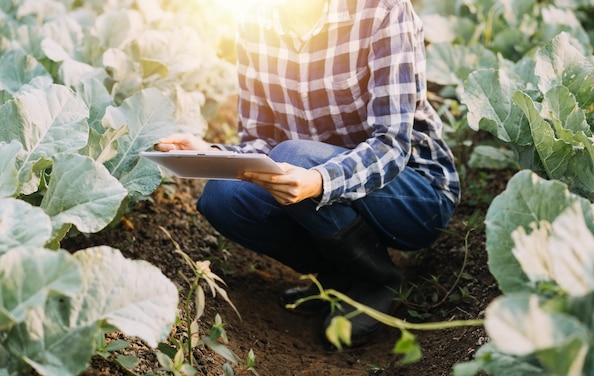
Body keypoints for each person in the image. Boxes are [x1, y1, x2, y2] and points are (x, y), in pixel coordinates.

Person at [155, 0, 460, 347]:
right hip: (318, 187)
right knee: (222, 198)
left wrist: (319, 181)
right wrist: (212, 154)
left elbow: (391, 145)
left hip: (413, 191)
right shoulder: (255, 21)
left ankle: (377, 279)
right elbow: (263, 142)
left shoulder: (383, 11)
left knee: (294, 155)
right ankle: (339, 275)